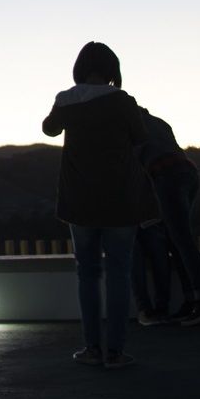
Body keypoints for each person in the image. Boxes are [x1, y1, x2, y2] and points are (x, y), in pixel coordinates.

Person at [42, 41, 154, 370]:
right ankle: (116, 352)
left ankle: (91, 348)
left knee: (87, 274)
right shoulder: (122, 101)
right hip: (120, 200)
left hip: (79, 202)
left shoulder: (66, 100)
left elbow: (49, 129)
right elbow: (141, 137)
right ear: (111, 70)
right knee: (118, 274)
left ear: (79, 69)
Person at [136, 106, 200, 325]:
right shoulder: (159, 122)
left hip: (165, 176)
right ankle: (191, 299)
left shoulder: (129, 125)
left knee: (181, 238)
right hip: (188, 173)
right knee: (176, 238)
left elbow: (133, 165)